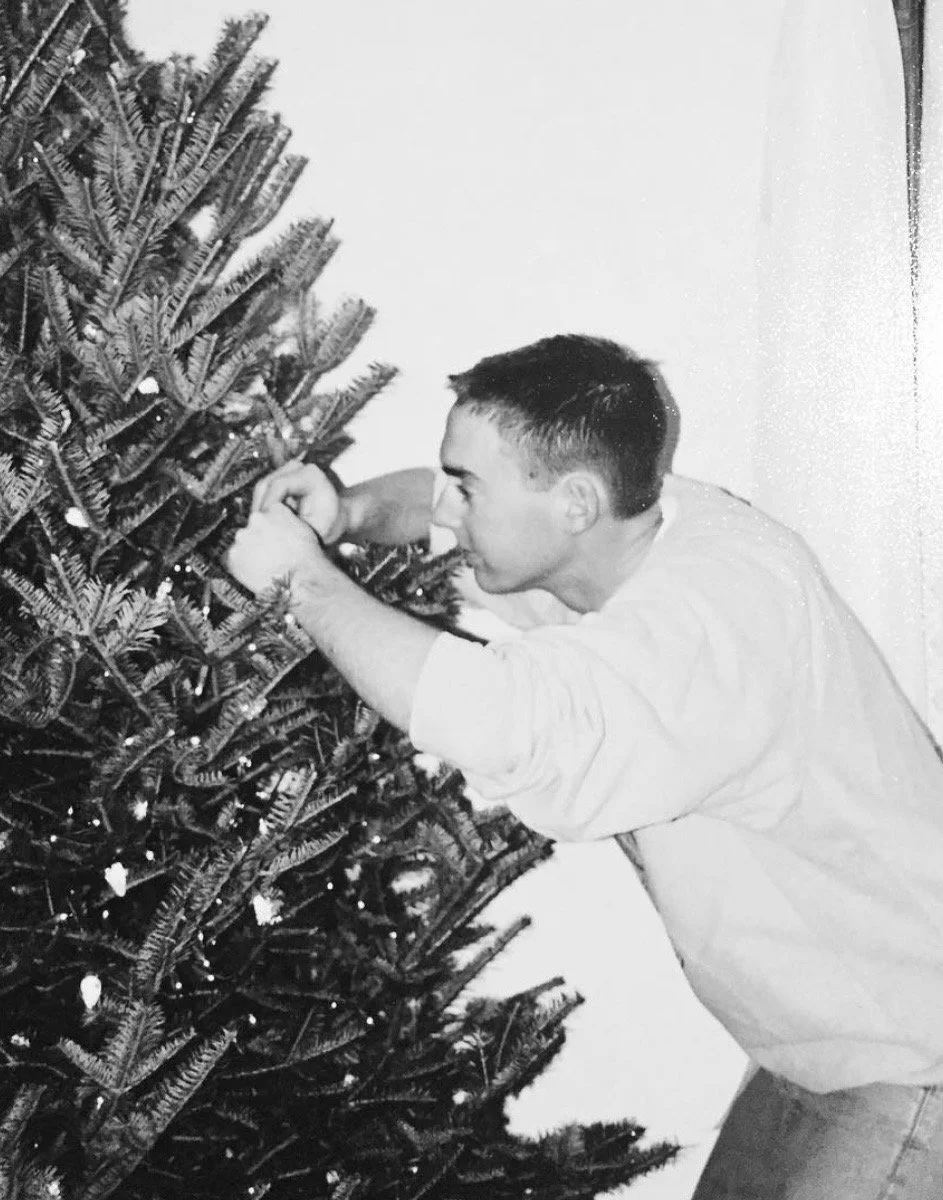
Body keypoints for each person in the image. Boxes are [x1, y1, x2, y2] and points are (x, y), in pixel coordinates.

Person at [226, 334, 943, 1198]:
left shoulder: (706, 624)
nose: (449, 508)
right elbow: (443, 512)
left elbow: (506, 723)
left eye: (469, 483)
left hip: (911, 1065)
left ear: (572, 502)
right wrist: (348, 514)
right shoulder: (639, 526)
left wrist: (305, 583)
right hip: (824, 1046)